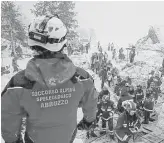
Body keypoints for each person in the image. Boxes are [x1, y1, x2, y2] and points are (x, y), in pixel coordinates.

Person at [1, 15, 98, 143]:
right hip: (67, 136)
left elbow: (9, 118)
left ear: (32, 44)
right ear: (62, 42)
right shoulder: (82, 78)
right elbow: (91, 102)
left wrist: (13, 140)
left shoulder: (18, 84)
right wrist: (88, 121)